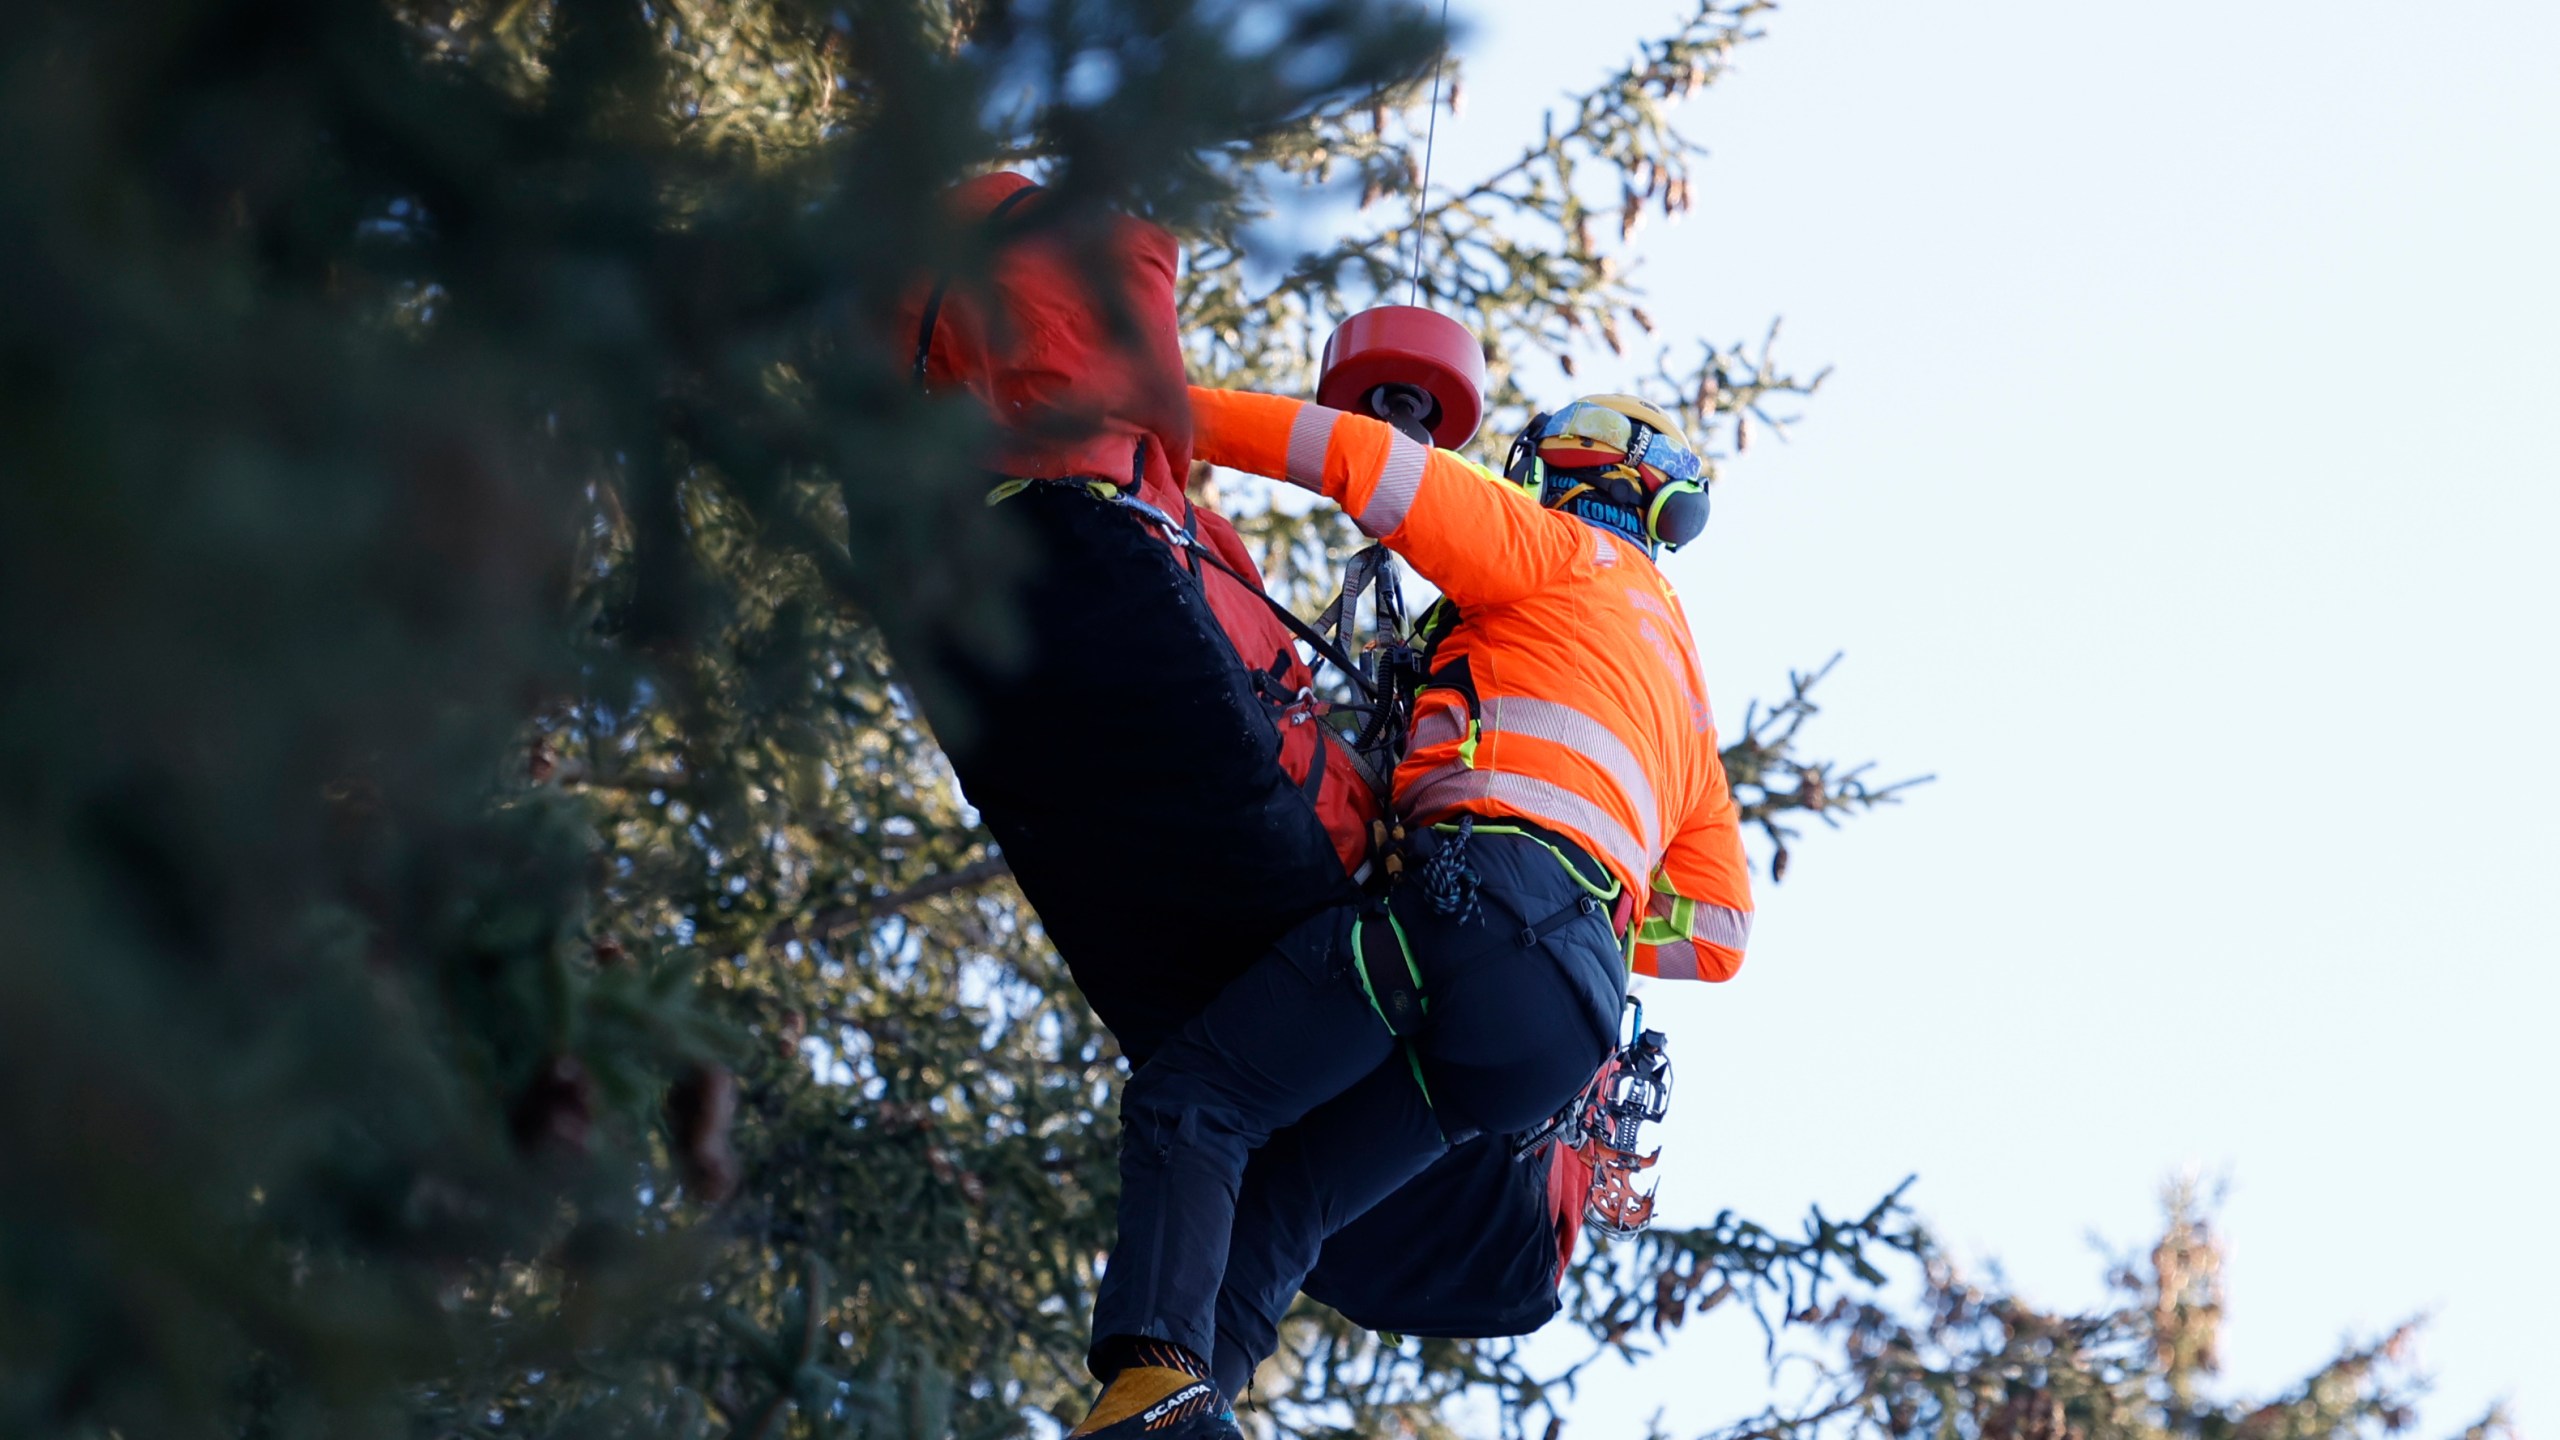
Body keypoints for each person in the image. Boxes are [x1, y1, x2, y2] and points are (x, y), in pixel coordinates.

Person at [1068, 389, 1755, 1439]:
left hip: (1469, 914)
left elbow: (1356, 457)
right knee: (1290, 1200)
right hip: (1558, 1037)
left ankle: (1149, 1390)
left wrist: (1160, 409)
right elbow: (1716, 934)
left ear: (1555, 472)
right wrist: (1593, 898)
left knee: (1199, 1095)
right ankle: (1186, 1416)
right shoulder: (1681, 698)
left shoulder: (1554, 553)